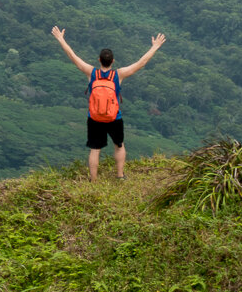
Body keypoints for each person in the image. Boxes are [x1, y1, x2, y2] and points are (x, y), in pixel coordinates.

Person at [50, 25, 166, 180]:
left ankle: (94, 180)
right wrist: (155, 47)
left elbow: (73, 57)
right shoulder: (119, 75)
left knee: (95, 149)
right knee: (119, 145)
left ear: (99, 60)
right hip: (114, 117)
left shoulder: (91, 73)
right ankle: (120, 175)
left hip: (95, 117)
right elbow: (141, 63)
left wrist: (60, 39)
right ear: (113, 61)